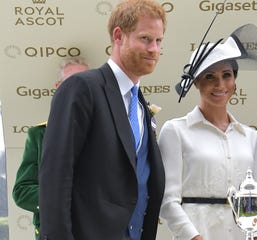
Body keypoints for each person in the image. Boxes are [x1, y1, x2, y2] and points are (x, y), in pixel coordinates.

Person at [38, 1, 167, 240]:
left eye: (159, 41)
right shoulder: (82, 88)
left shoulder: (141, 106)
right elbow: (56, 176)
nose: (154, 49)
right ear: (119, 36)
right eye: (146, 38)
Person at [159, 24, 257, 240]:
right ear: (195, 83)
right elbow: (168, 201)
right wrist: (194, 237)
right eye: (209, 76)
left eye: (226, 75)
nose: (220, 84)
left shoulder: (250, 137)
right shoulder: (175, 131)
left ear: (234, 82)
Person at [12, 57, 89, 240]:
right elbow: (22, 192)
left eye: (85, 82)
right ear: (58, 86)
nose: (78, 88)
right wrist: (65, 198)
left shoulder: (106, 132)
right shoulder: (38, 135)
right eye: (70, 82)